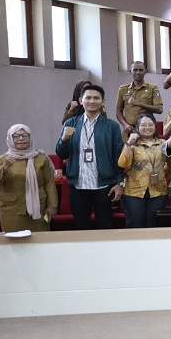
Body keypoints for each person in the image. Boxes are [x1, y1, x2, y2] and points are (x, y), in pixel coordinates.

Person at [56, 84, 124, 230]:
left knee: (105, 225)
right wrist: (65, 139)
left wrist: (119, 182)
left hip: (103, 185)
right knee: (81, 226)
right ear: (81, 100)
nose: (92, 101)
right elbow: (61, 154)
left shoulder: (111, 126)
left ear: (103, 101)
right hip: (78, 184)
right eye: (88, 98)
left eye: (96, 98)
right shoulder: (71, 123)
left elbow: (117, 156)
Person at [0, 124, 57, 232]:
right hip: (12, 211)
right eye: (16, 136)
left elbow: (49, 183)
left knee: (40, 243)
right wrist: (5, 168)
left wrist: (52, 206)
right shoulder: (3, 159)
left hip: (39, 210)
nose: (21, 138)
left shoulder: (41, 158)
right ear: (10, 139)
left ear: (30, 138)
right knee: (14, 244)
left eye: (25, 135)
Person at [117, 114, 167, 228]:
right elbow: (123, 163)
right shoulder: (132, 145)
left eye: (150, 125)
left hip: (158, 191)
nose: (147, 127)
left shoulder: (163, 143)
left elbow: (170, 165)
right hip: (134, 192)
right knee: (135, 225)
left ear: (155, 126)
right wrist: (129, 142)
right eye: (143, 125)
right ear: (137, 128)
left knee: (153, 225)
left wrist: (162, 177)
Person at [115, 61, 163, 135]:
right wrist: (125, 125)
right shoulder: (123, 89)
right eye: (135, 70)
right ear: (130, 71)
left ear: (145, 71)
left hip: (147, 129)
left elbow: (159, 109)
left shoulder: (153, 88)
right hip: (130, 130)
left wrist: (139, 104)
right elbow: (118, 111)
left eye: (141, 70)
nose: (138, 72)